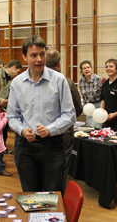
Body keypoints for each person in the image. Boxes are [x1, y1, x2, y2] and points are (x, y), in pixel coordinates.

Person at [7, 35, 76, 194]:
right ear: (24, 57)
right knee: (30, 195)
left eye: (42, 54)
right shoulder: (17, 83)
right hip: (25, 147)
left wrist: (50, 129)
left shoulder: (59, 80)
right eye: (33, 55)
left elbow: (69, 114)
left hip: (53, 146)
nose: (39, 59)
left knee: (54, 195)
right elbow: (12, 116)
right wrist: (23, 131)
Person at [46, 49, 83, 190]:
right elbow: (77, 108)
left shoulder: (35, 81)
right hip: (64, 134)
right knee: (61, 171)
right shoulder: (67, 82)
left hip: (41, 132)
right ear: (59, 64)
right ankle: (58, 202)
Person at [0, 59, 22, 176]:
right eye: (17, 72)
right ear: (13, 67)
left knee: (2, 141)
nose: (17, 75)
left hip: (3, 114)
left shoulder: (12, 80)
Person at [79, 60, 105, 128]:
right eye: (84, 68)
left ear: (91, 68)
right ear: (82, 71)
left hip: (98, 106)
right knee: (89, 127)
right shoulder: (81, 81)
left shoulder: (99, 79)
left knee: (96, 127)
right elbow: (83, 96)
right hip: (89, 107)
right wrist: (85, 107)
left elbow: (104, 96)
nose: (87, 69)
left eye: (88, 67)